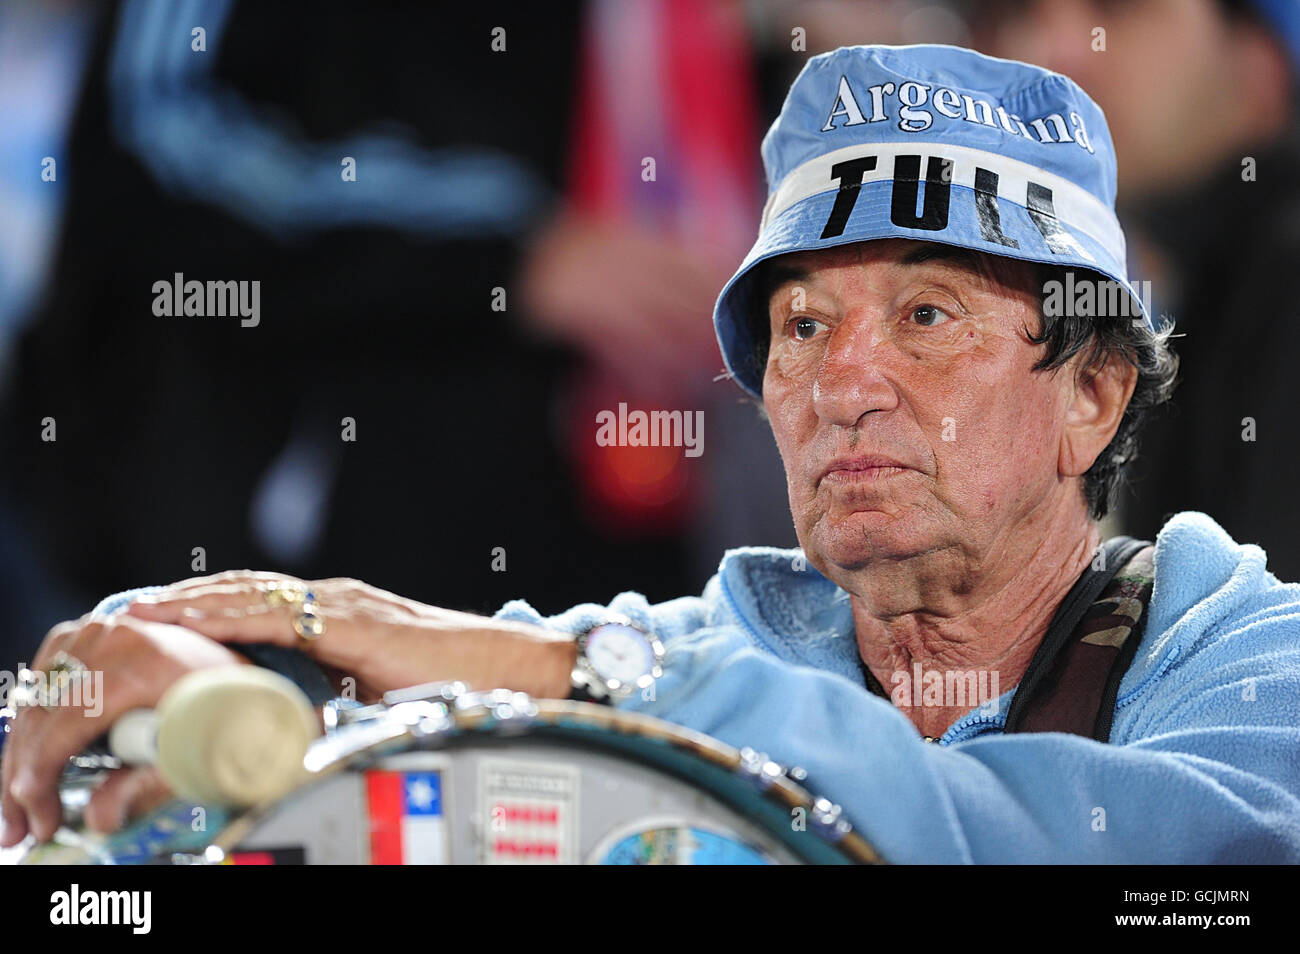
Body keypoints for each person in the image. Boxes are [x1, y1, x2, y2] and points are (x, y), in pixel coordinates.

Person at [4, 44, 1299, 864]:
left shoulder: (1249, 656)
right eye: (800, 325)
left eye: (926, 316)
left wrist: (588, 680)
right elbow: (368, 771)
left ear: (1094, 395)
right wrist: (184, 702)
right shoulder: (709, 644)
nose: (845, 382)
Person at [978, 0, 1300, 579]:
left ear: (1260, 54)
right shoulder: (1178, 281)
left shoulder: (1279, 286)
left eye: (1119, 9)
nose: (1059, 56)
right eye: (1022, 12)